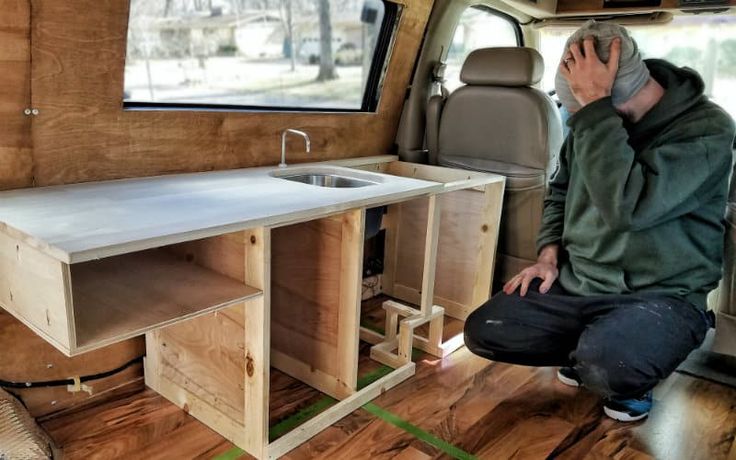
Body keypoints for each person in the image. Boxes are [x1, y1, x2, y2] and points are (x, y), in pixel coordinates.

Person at [464, 20, 736, 422]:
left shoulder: (707, 131)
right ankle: (594, 349)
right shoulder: (592, 123)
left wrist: (594, 112)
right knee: (486, 329)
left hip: (663, 296)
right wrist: (548, 256)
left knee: (613, 363)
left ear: (610, 98)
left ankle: (621, 370)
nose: (574, 118)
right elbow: (559, 192)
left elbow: (628, 208)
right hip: (581, 283)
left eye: (581, 106)